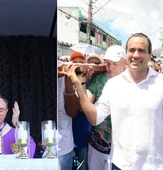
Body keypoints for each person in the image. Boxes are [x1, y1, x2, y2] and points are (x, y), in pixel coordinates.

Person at [67, 33, 163, 169]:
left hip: (153, 164)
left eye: (141, 50)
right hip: (120, 164)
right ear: (127, 53)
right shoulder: (113, 85)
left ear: (150, 54)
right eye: (132, 50)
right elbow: (95, 117)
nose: (136, 55)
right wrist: (79, 85)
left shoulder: (160, 83)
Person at [88, 45, 126, 170]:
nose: (110, 68)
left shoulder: (132, 82)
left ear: (125, 62)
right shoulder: (99, 78)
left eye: (114, 63)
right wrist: (81, 81)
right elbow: (85, 106)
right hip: (97, 144)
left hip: (121, 150)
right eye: (107, 63)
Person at [66, 52, 92, 170]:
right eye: (75, 62)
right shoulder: (65, 81)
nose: (78, 66)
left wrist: (82, 82)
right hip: (68, 137)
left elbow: (83, 107)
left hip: (82, 137)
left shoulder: (90, 82)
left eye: (81, 63)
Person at [58, 60, 74, 170]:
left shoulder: (63, 69)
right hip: (43, 144)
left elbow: (73, 112)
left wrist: (68, 80)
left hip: (64, 145)